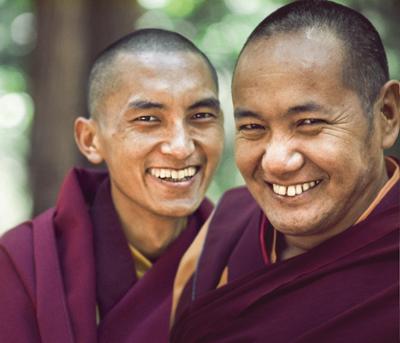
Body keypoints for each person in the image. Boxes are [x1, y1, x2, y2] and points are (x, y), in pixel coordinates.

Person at [170, 1, 399, 342]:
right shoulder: (221, 232)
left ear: (386, 114)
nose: (276, 161)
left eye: (308, 123)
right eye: (253, 126)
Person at [0, 28, 224, 342]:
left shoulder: (241, 261)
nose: (181, 146)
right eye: (148, 119)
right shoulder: (24, 263)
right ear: (90, 140)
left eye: (201, 115)